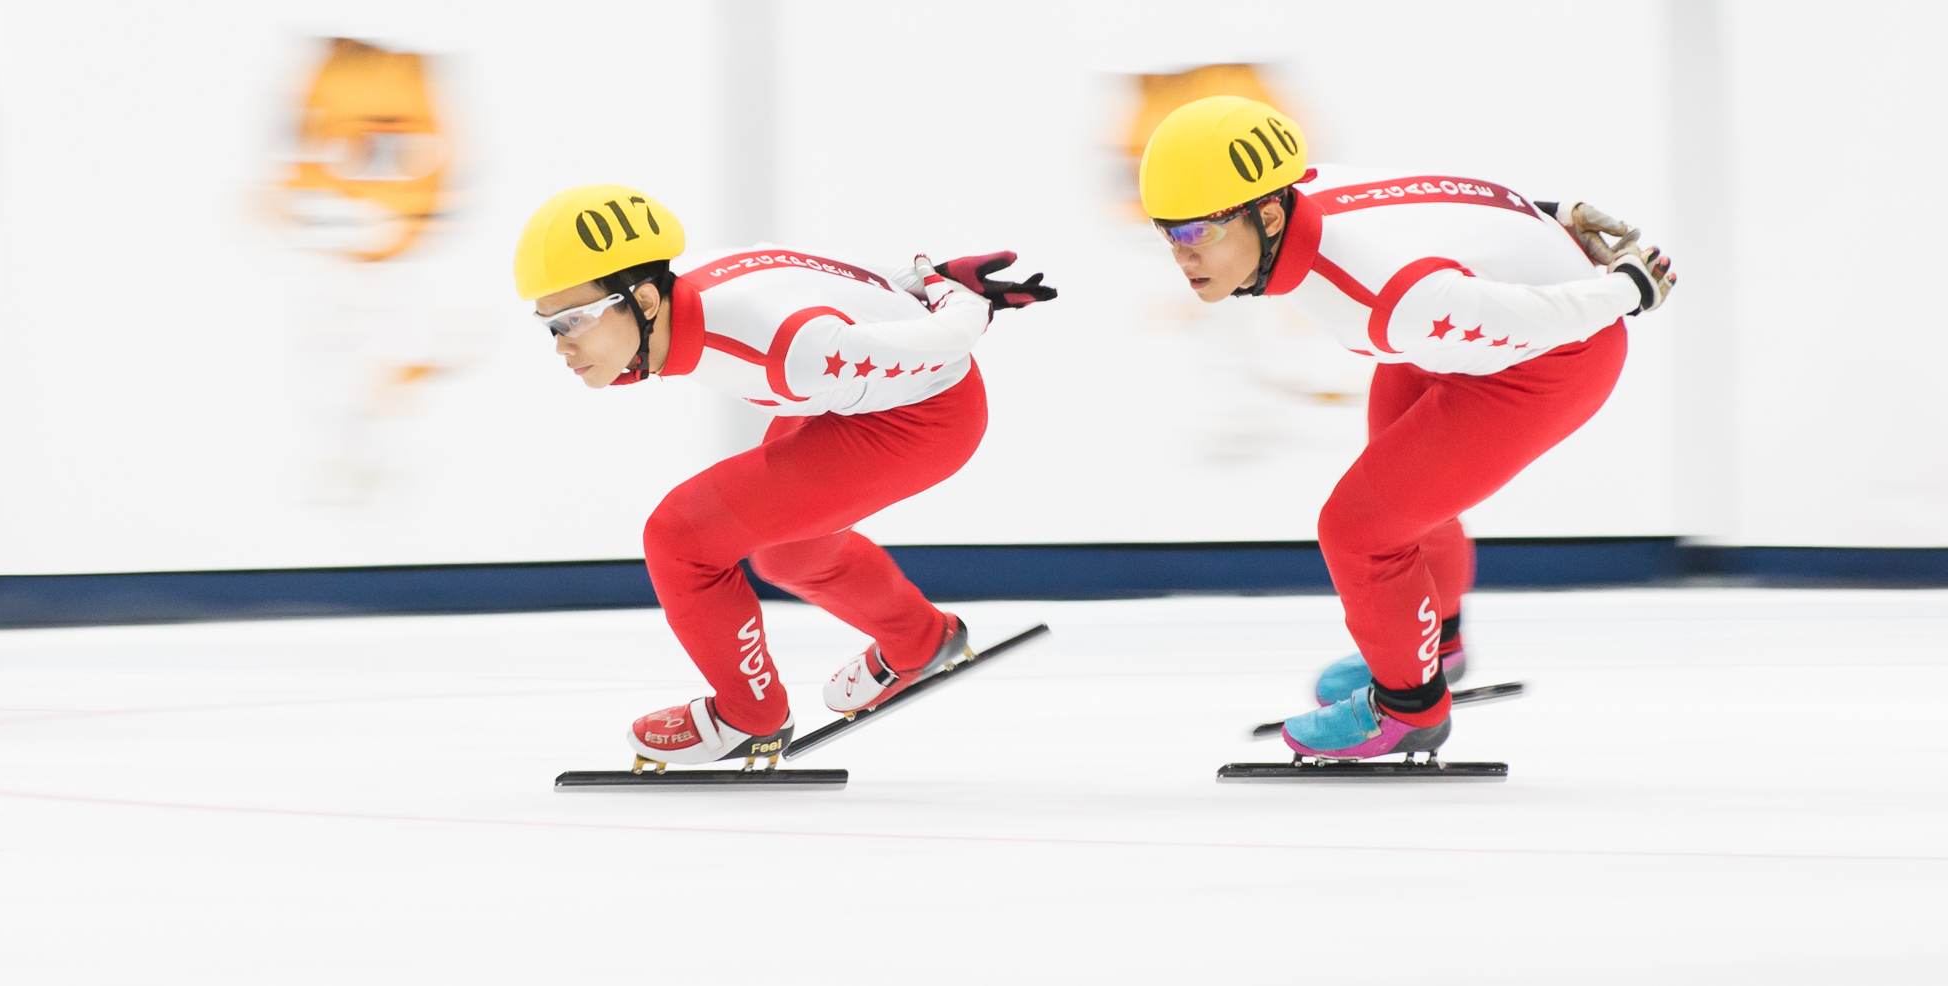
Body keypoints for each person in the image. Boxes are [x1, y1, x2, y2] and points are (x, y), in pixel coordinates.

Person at [1137, 97, 1674, 760]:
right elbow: (1447, 197)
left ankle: (1409, 709)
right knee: (1398, 493)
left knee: (1359, 530)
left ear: (1269, 214)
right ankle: (1435, 646)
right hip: (1449, 335)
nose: (1180, 257)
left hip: (1554, 359)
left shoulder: (1375, 298)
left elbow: (1543, 318)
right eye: (1165, 233)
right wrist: (1553, 213)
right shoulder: (1309, 187)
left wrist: (1628, 288)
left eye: (1196, 235)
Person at [512, 184, 1054, 767]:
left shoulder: (790, 350)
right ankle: (921, 639)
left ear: (644, 301)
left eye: (573, 320)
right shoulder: (702, 289)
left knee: (681, 538)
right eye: (549, 326)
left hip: (923, 421)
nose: (561, 346)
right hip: (852, 399)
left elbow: (951, 341)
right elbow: (818, 272)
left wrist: (952, 294)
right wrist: (924, 276)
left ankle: (750, 718)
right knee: (788, 556)